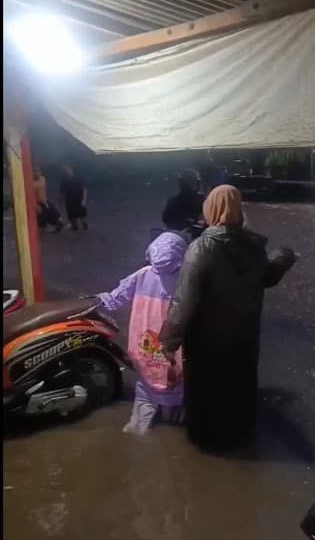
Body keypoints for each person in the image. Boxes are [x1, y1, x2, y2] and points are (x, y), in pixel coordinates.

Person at [159, 186, 297, 452]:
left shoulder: (201, 247)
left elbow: (183, 301)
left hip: (206, 341)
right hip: (244, 337)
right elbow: (267, 276)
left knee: (207, 391)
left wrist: (169, 340)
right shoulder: (255, 247)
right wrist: (284, 257)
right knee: (238, 385)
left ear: (210, 209)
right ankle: (239, 435)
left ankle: (206, 442)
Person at [97, 232, 189, 433]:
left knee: (146, 383)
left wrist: (95, 300)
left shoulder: (142, 275)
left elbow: (115, 298)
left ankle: (138, 427)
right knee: (176, 383)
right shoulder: (185, 279)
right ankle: (174, 420)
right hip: (172, 347)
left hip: (144, 344)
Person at [34, 166, 65, 233]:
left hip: (45, 201)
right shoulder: (31, 182)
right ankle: (41, 233)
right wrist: (36, 205)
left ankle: (58, 226)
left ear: (40, 172)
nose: (36, 173)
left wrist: (46, 199)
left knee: (57, 216)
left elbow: (43, 190)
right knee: (42, 221)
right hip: (38, 203)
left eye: (37, 172)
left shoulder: (43, 179)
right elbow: (31, 195)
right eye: (34, 172)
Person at [60, 164, 88, 231]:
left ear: (72, 170)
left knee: (82, 214)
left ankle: (83, 224)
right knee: (72, 216)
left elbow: (84, 189)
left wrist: (84, 199)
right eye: (65, 171)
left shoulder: (78, 178)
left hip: (78, 199)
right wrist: (61, 200)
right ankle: (74, 227)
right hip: (69, 200)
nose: (67, 172)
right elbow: (62, 191)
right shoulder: (64, 180)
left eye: (68, 170)